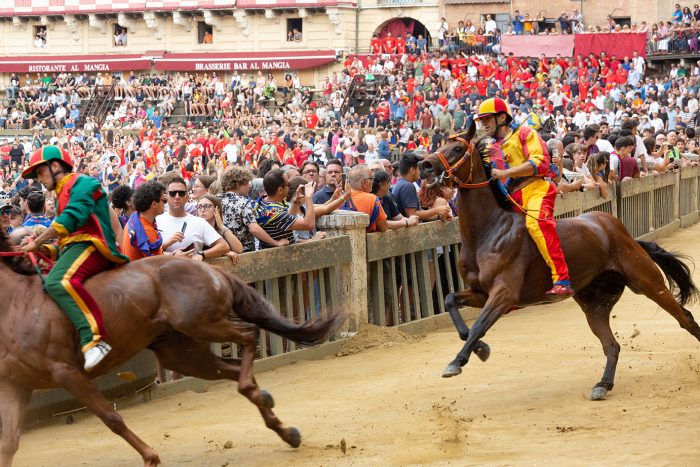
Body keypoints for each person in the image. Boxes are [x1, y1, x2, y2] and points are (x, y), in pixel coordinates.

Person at [20, 146, 129, 371]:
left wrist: (39, 242)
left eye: (40, 173)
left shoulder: (83, 183)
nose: (39, 180)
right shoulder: (60, 194)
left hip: (95, 246)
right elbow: (66, 241)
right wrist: (44, 251)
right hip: (78, 247)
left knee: (58, 282)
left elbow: (73, 218)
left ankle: (95, 340)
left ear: (56, 166)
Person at [474, 98, 574, 299]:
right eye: (481, 120)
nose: (483, 124)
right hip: (511, 198)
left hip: (537, 189)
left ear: (502, 117)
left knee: (537, 224)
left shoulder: (526, 133)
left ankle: (562, 280)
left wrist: (505, 174)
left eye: (487, 119)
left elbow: (540, 163)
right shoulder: (489, 147)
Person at [156, 177, 229, 260]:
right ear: (166, 196)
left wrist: (201, 254)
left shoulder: (199, 222)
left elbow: (224, 246)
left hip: (192, 271)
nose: (177, 196)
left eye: (181, 193)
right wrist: (168, 249)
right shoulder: (156, 221)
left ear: (187, 197)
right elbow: (146, 253)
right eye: (172, 193)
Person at [120, 180, 167, 261]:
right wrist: (179, 258)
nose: (165, 204)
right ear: (154, 204)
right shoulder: (146, 230)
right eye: (164, 200)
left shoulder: (133, 220)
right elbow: (159, 265)